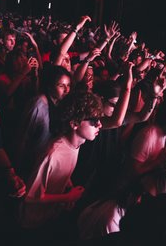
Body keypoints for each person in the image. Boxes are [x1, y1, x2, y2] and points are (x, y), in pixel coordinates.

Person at [18, 89, 103, 232]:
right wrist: (66, 197)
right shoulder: (53, 153)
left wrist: (68, 187)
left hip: (49, 216)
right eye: (94, 121)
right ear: (74, 124)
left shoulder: (77, 144)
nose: (100, 125)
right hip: (32, 222)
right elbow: (30, 196)